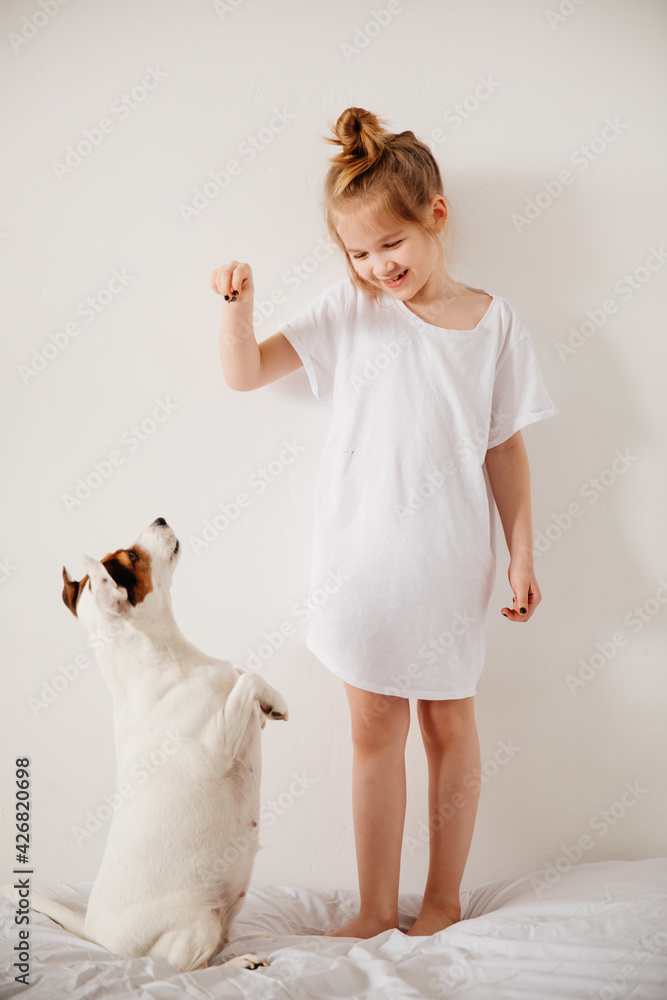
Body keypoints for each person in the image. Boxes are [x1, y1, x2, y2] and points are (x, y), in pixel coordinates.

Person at [210, 107, 558, 939]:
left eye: (389, 246)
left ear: (434, 215)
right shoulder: (351, 309)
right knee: (374, 728)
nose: (377, 266)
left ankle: (440, 902)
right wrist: (237, 310)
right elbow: (247, 373)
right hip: (359, 562)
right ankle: (373, 908)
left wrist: (520, 553)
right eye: (359, 254)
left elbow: (503, 450)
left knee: (446, 723)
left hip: (446, 560)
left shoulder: (492, 322)